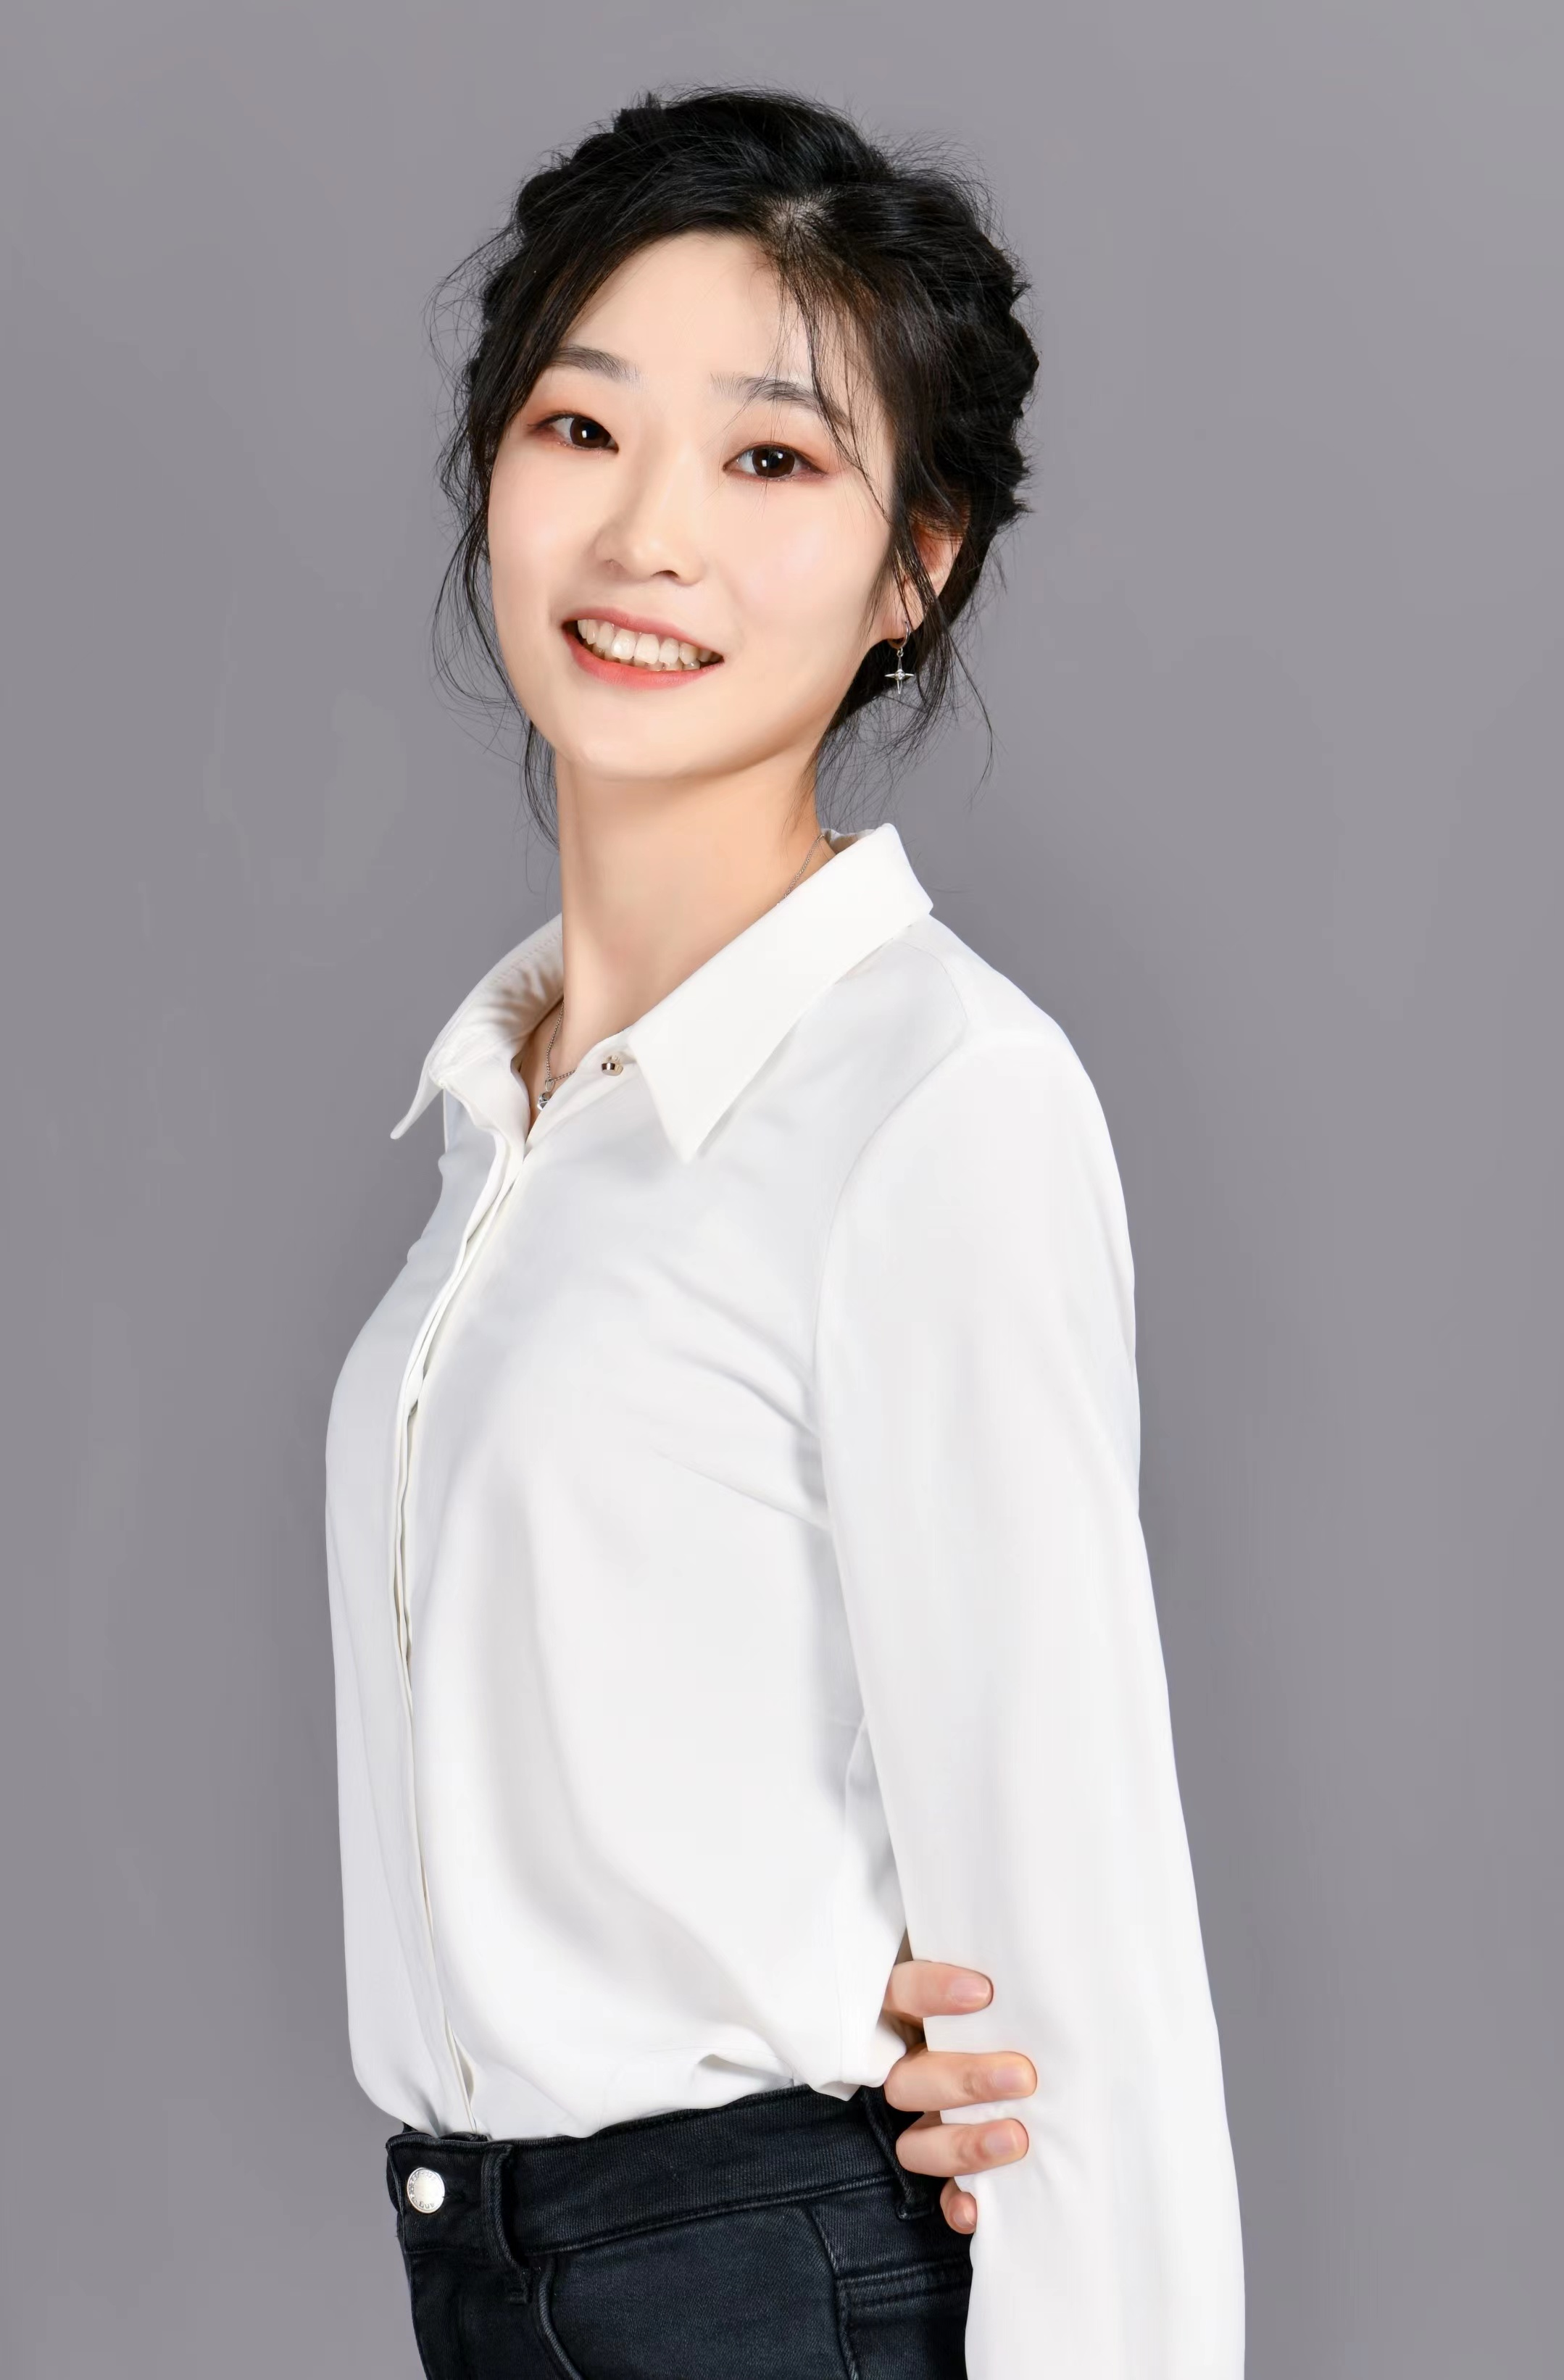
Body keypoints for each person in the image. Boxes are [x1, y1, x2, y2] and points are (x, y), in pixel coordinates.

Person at [323, 85, 1244, 2380]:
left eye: (768, 458)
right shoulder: (507, 1119)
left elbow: (1074, 1958)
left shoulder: (931, 1098)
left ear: (913, 561)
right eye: (577, 427)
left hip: (754, 2296)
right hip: (504, 2282)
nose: (647, 536)